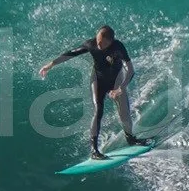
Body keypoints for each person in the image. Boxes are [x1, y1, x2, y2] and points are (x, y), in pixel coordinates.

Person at [40, 26, 146, 160]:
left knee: (124, 112)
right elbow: (70, 53)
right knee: (98, 110)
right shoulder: (91, 44)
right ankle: (94, 151)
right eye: (97, 40)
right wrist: (50, 65)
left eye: (102, 43)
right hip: (98, 79)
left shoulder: (118, 47)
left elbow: (130, 70)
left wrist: (121, 88)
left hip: (117, 79)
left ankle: (131, 138)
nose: (98, 44)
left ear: (110, 42)